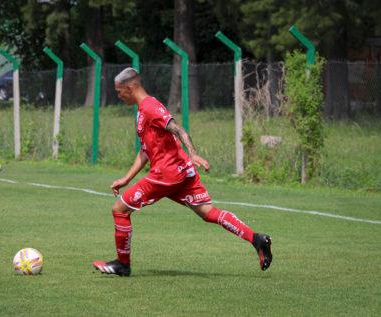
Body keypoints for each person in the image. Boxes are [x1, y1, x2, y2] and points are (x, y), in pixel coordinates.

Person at [93, 68, 272, 277]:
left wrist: (193, 153)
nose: (118, 96)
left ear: (130, 87)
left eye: (119, 91)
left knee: (120, 209)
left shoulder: (150, 106)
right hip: (180, 172)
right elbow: (145, 150)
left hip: (166, 175)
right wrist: (126, 178)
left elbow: (178, 129)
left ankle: (122, 265)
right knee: (208, 212)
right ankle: (257, 239)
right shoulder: (142, 110)